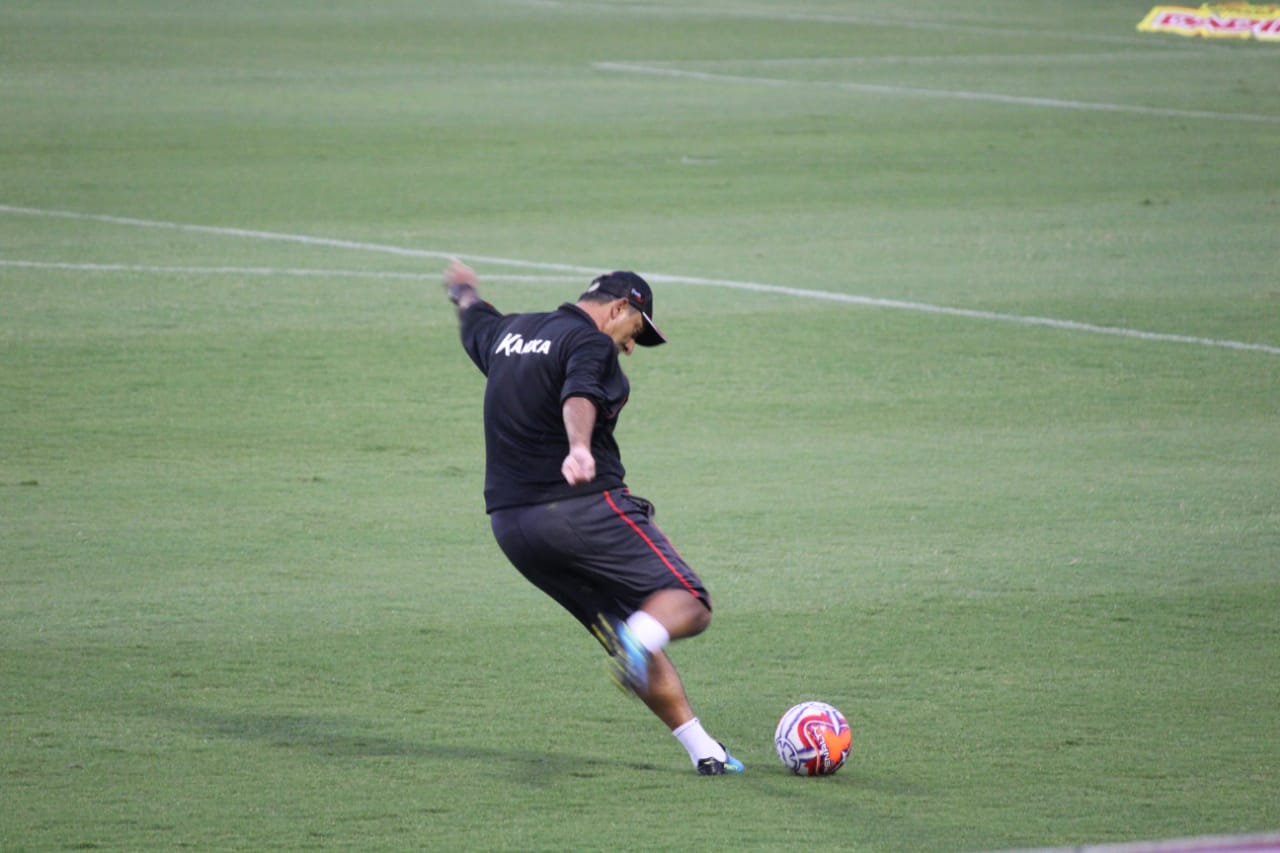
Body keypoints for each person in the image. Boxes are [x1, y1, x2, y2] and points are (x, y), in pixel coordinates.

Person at [441, 258, 743, 776]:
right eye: (635, 331)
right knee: (688, 603)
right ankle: (638, 640)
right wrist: (579, 448)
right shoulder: (590, 343)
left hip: (513, 529)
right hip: (579, 510)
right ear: (619, 307)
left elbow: (474, 318)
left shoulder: (509, 333)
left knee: (633, 629)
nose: (629, 345)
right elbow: (579, 392)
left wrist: (463, 289)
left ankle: (705, 751)